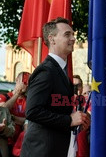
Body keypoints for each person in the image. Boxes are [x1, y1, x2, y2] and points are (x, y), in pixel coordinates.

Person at [21, 17, 90, 157]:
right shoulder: (46, 71)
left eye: (73, 35)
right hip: (41, 151)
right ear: (52, 39)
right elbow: (32, 111)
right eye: (67, 35)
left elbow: (56, 109)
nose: (73, 39)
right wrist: (69, 120)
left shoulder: (59, 70)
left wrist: (80, 119)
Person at [1, 71, 29, 153]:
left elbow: (29, 120)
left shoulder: (28, 100)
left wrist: (11, 117)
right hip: (6, 142)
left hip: (21, 144)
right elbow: (2, 112)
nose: (26, 84)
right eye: (24, 81)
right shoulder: (4, 96)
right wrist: (17, 94)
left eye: (28, 82)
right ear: (17, 80)